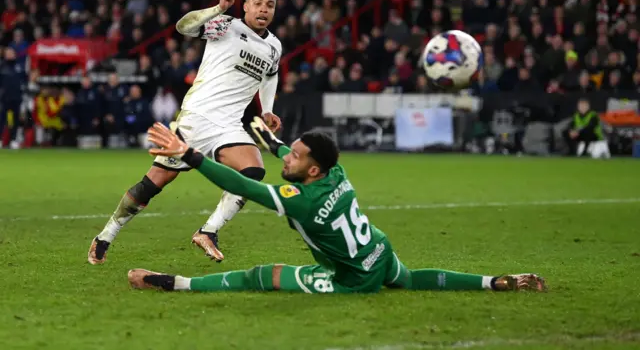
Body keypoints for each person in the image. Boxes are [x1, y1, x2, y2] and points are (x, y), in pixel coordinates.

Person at [127, 118, 547, 294]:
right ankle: (493, 281)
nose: (288, 159)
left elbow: (242, 185)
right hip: (380, 252)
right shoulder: (336, 174)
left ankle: (175, 284)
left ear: (312, 171)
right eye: (289, 152)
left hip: (352, 279)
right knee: (410, 280)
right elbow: (300, 163)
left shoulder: (302, 202)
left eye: (295, 156)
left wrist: (193, 155)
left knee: (262, 276)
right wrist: (274, 145)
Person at [89, 0, 283, 264]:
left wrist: (267, 111)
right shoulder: (226, 25)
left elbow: (270, 76)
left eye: (270, 5)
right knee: (153, 184)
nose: (264, 8)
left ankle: (208, 231)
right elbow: (184, 27)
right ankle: (106, 234)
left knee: (253, 170)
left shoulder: (274, 46)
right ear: (246, 7)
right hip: (197, 118)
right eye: (258, 3)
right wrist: (217, 9)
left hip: (229, 125)